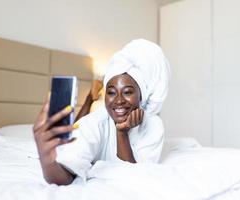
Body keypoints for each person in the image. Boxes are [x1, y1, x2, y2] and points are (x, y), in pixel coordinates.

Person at [33, 39, 171, 185]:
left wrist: (121, 133)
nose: (118, 100)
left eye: (127, 92)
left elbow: (135, 177)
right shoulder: (94, 123)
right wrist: (46, 160)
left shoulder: (154, 125)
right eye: (111, 92)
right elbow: (65, 177)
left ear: (141, 97)